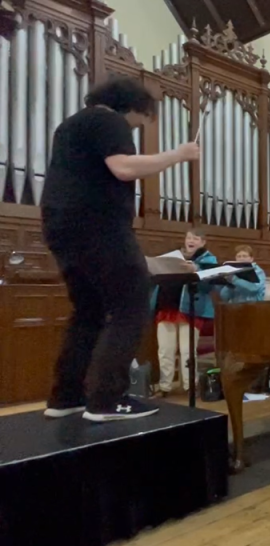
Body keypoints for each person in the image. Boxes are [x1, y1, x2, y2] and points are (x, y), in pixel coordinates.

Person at [41, 77, 200, 421]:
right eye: (140, 118)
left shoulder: (69, 126)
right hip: (99, 224)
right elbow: (124, 168)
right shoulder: (107, 119)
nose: (137, 125)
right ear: (132, 105)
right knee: (131, 304)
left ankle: (66, 397)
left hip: (61, 227)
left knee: (88, 311)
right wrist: (179, 154)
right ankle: (106, 400)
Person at [152, 229, 217, 396]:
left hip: (190, 310)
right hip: (167, 307)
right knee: (165, 350)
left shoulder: (208, 260)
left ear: (203, 242)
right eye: (189, 237)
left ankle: (190, 386)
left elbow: (208, 286)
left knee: (187, 351)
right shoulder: (173, 257)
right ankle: (165, 386)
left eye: (196, 238)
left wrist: (195, 271)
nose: (191, 240)